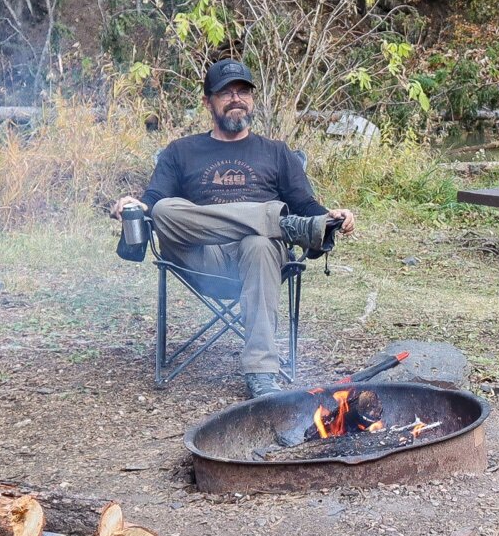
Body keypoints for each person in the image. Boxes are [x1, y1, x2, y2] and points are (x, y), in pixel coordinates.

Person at [113, 59, 357, 398]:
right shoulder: (181, 151)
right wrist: (132, 205)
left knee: (258, 244)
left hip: (258, 258)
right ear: (207, 101)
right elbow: (154, 201)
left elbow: (306, 206)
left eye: (243, 91)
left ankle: (261, 373)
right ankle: (277, 222)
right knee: (165, 209)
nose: (236, 98)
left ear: (252, 99)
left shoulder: (276, 152)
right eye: (225, 92)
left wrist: (329, 216)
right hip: (202, 256)